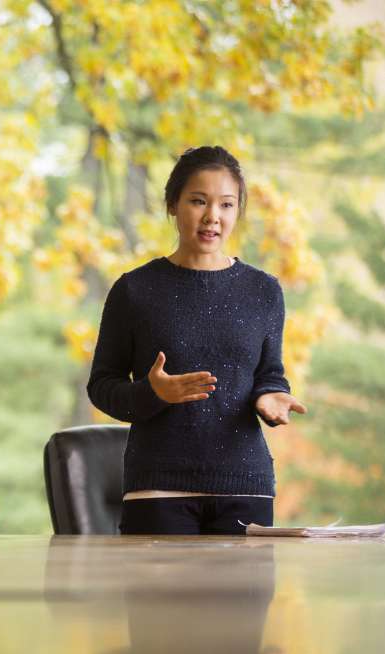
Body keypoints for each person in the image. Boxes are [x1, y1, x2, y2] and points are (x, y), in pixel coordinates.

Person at [86, 145, 307, 535]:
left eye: (226, 205)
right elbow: (102, 387)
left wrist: (269, 396)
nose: (212, 217)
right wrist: (153, 393)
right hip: (158, 489)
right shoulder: (134, 290)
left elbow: (269, 373)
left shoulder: (264, 291)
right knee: (159, 600)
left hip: (246, 489)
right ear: (173, 204)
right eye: (198, 201)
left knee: (245, 599)